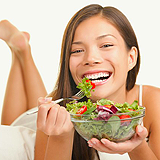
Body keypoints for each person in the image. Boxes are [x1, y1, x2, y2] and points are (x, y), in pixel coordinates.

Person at [0, 4, 160, 160]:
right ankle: (21, 50)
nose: (90, 58)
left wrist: (136, 145)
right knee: (12, 127)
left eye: (106, 45)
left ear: (131, 58)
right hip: (35, 122)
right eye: (77, 50)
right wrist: (61, 137)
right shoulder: (59, 106)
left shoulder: (154, 102)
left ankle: (21, 49)